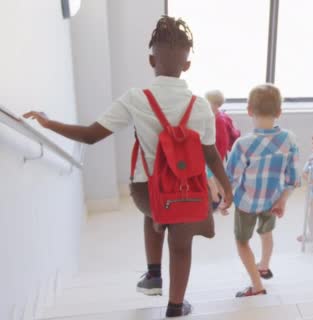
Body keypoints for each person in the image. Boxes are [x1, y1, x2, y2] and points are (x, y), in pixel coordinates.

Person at [24, 16, 233, 318]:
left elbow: (90, 136)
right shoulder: (200, 105)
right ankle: (175, 306)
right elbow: (211, 155)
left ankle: (153, 273)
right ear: (186, 66)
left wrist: (48, 122)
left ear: (151, 60)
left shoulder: (136, 99)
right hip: (187, 191)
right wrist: (227, 188)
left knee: (156, 213)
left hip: (146, 190)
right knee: (181, 244)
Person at [225, 84, 299, 297]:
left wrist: (224, 201)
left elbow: (231, 177)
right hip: (272, 201)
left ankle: (257, 286)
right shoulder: (289, 139)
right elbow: (292, 177)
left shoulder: (243, 144)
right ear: (279, 112)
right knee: (266, 232)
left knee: (242, 241)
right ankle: (264, 265)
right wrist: (283, 200)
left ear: (249, 110)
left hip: (247, 203)